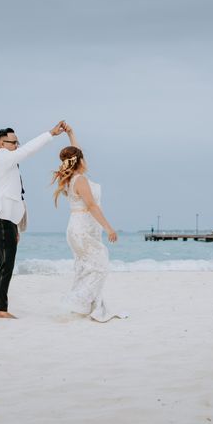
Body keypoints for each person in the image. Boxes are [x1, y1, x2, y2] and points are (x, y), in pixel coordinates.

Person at [0, 122, 66, 319]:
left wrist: (16, 227)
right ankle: (1, 310)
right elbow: (29, 150)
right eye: (14, 142)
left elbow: (14, 194)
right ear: (1, 144)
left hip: (2, 219)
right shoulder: (1, 157)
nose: (17, 146)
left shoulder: (4, 163)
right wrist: (50, 134)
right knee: (5, 265)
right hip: (0, 218)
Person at [51, 124, 126, 322]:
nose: (86, 159)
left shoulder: (70, 179)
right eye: (83, 157)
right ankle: (76, 302)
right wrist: (109, 228)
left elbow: (77, 151)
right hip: (83, 228)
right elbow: (92, 206)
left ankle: (87, 306)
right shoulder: (80, 180)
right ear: (79, 162)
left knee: (86, 267)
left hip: (77, 227)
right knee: (100, 266)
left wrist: (71, 134)